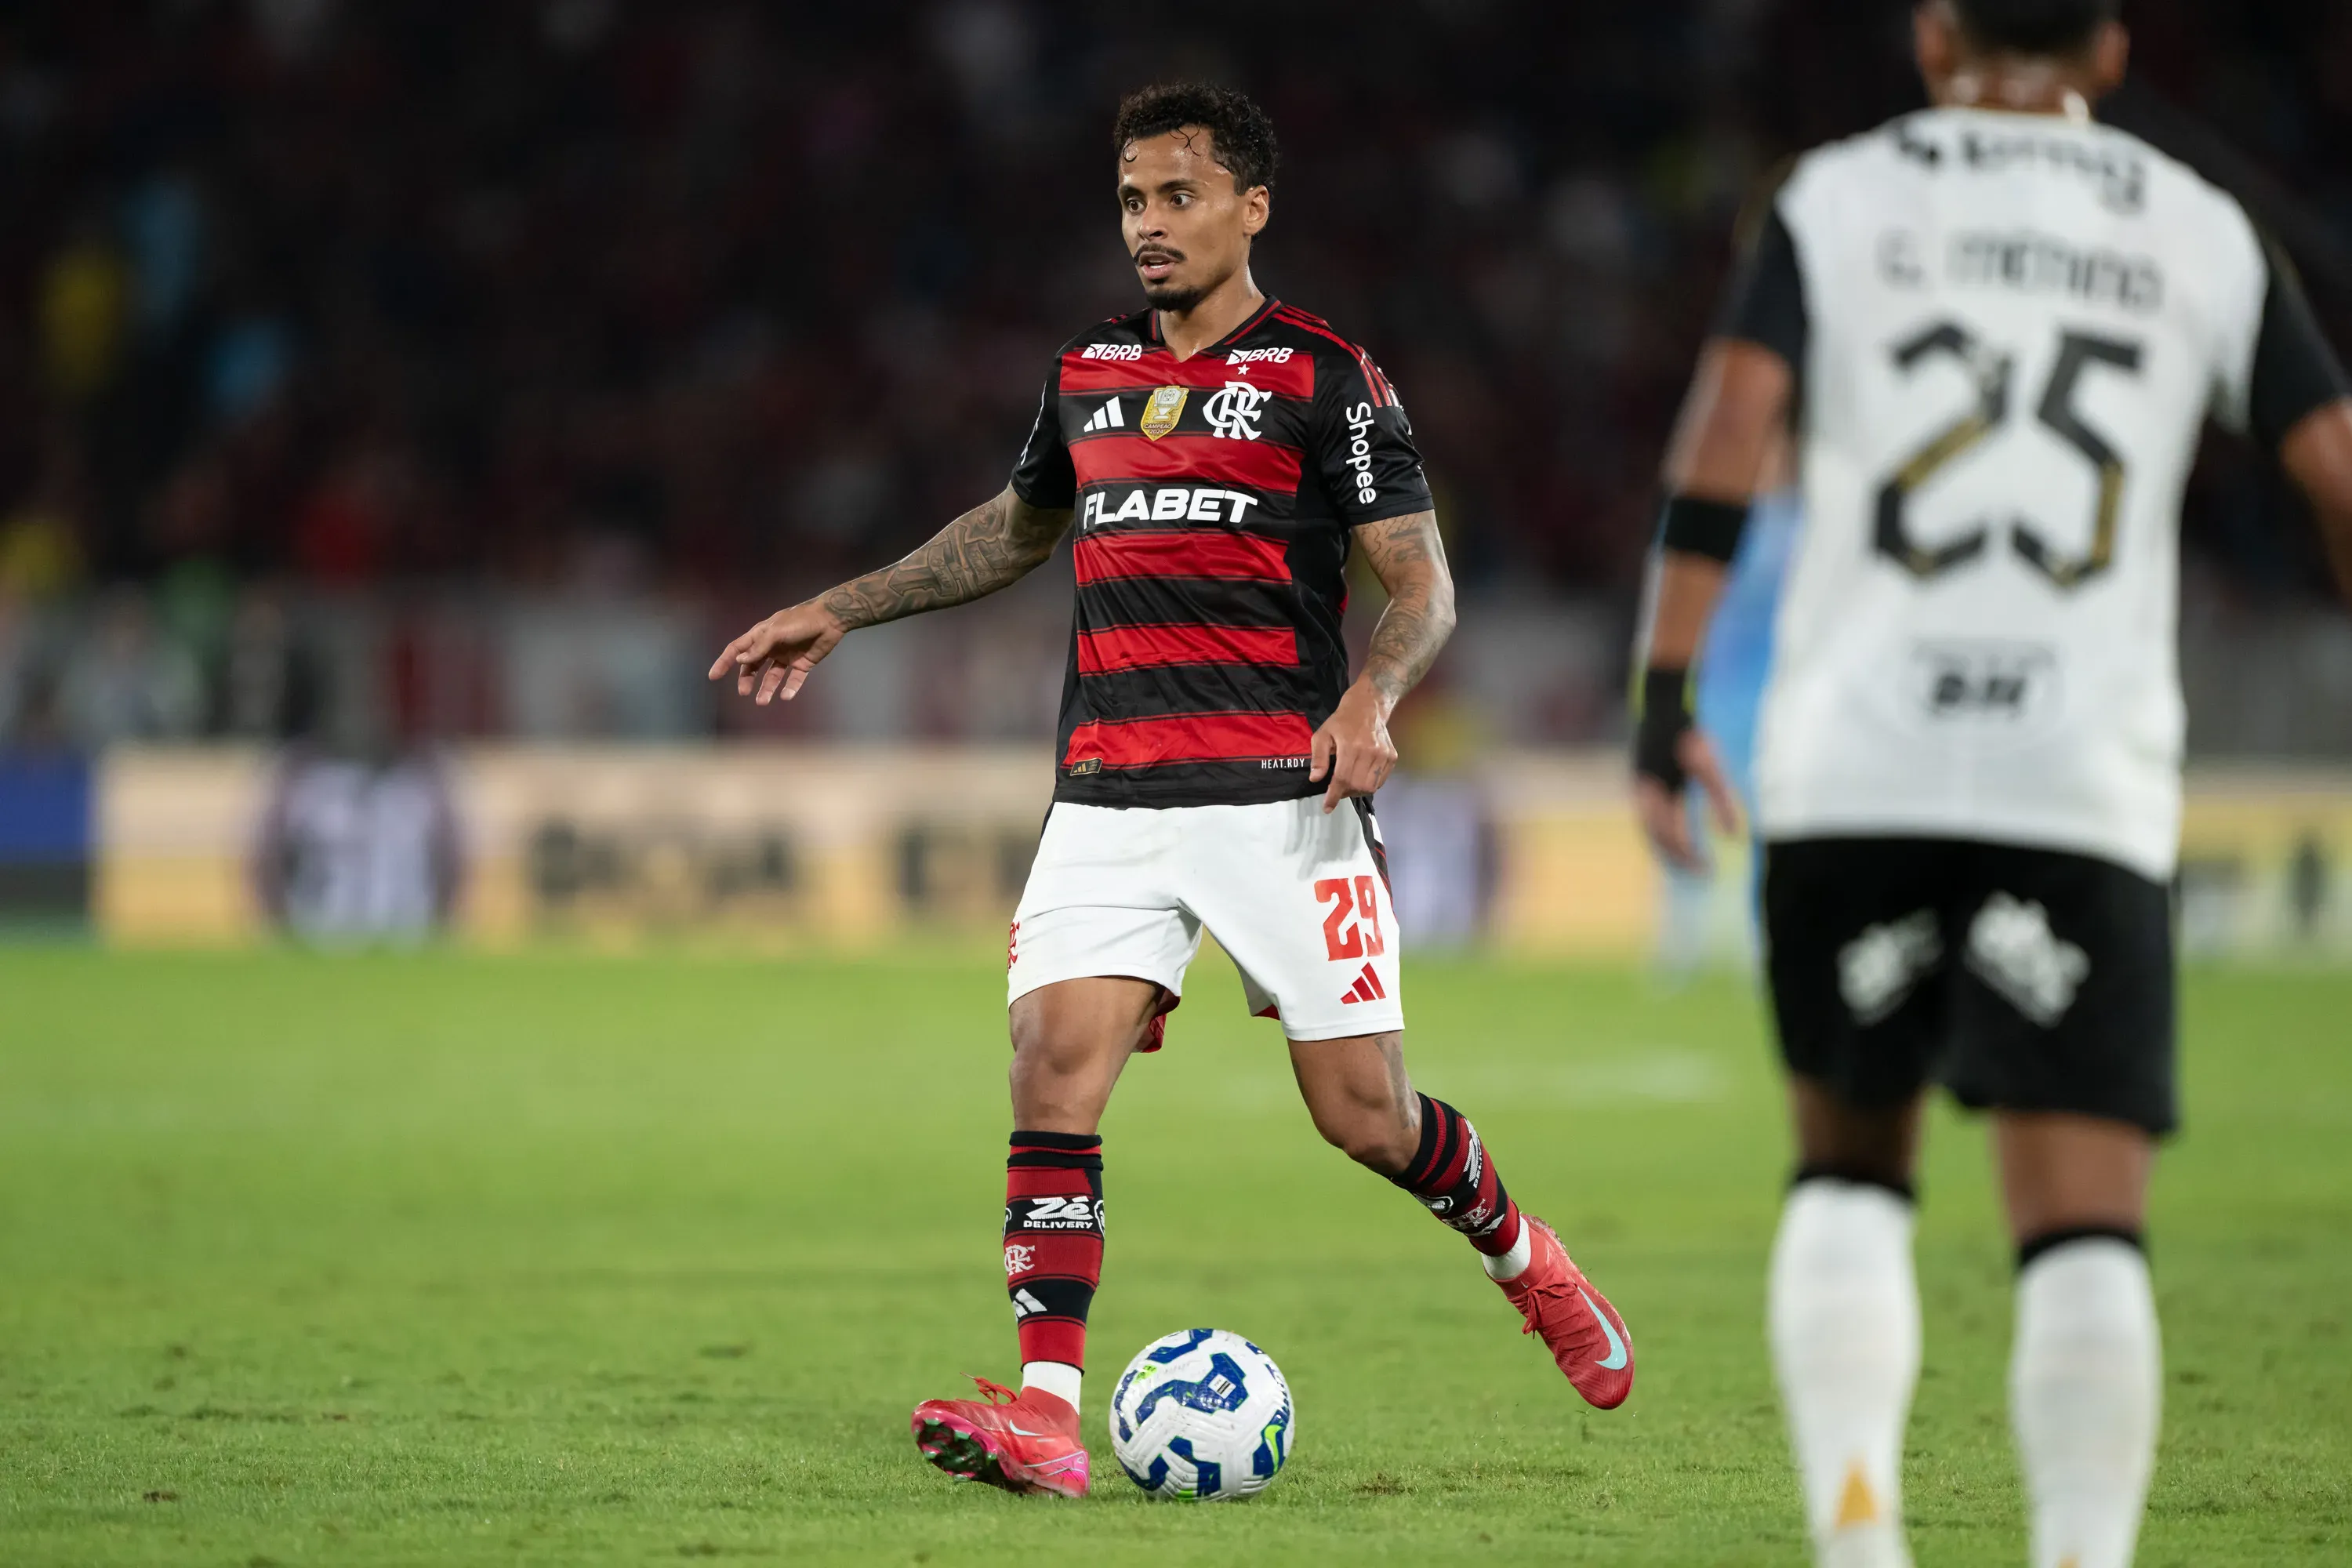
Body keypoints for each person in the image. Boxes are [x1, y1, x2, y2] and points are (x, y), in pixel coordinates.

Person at [713, 82, 1634, 1500]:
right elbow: (1012, 530)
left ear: (1251, 205)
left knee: (1366, 1118)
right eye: (1134, 201)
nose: (1148, 226)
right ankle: (1045, 1411)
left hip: (1281, 792)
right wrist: (843, 606)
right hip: (1107, 796)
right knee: (1050, 1071)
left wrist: (1372, 697)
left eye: (1179, 197)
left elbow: (1421, 584)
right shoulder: (1083, 371)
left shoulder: (1330, 374)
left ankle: (1534, 1265)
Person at [1631, 4, 2352, 1565]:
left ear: (1933, 33)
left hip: (1855, 764)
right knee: (2085, 1222)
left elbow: (1729, 430)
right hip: (2077, 772)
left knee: (1849, 1172)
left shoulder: (1836, 195)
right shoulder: (2200, 225)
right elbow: (2335, 468)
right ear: (2108, 47)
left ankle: (1859, 1538)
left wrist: (1665, 695)